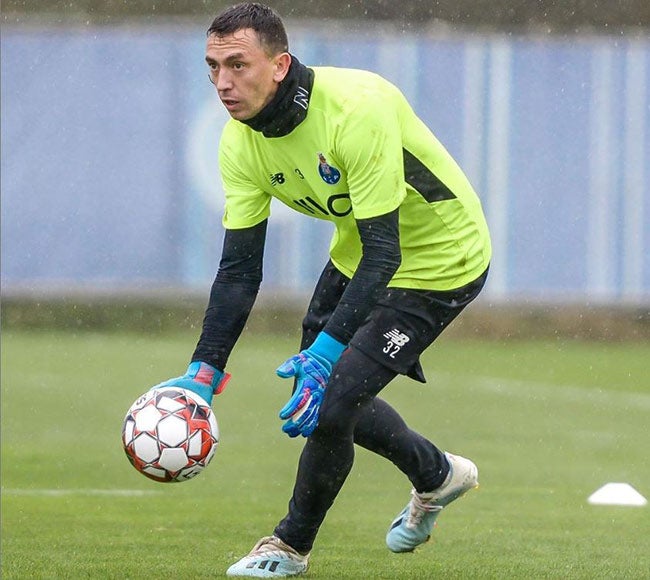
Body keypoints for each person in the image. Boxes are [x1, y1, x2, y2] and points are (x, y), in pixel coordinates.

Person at [155, 2, 492, 577]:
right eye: (212, 67)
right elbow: (239, 271)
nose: (223, 83)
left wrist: (327, 352)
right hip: (359, 255)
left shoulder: (356, 108)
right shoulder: (239, 143)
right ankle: (437, 475)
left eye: (238, 65)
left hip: (440, 260)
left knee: (332, 402)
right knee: (335, 396)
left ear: (280, 64)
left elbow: (389, 252)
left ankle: (287, 547)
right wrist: (203, 372)